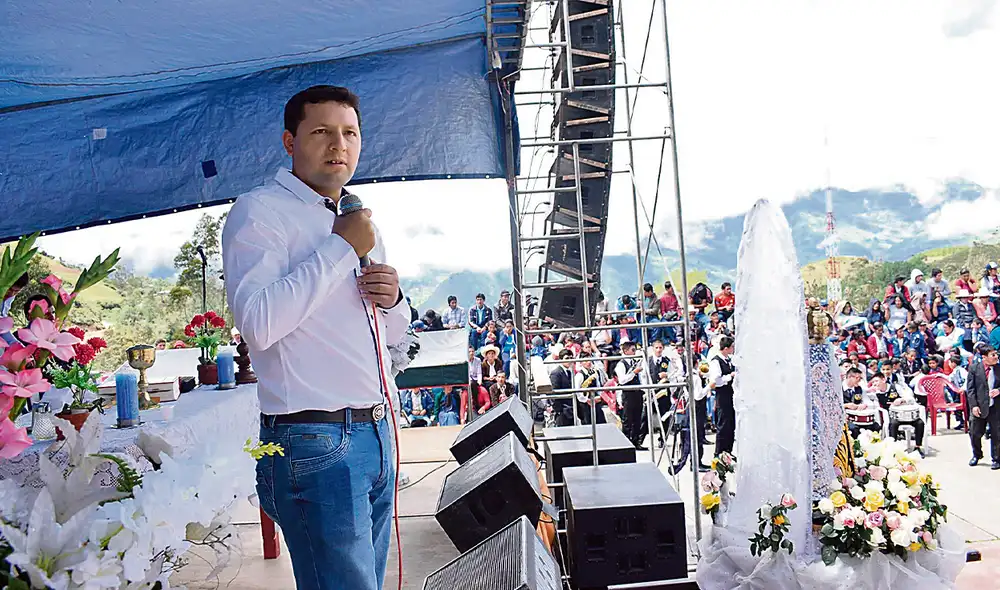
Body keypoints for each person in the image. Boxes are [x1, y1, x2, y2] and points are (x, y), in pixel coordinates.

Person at [221, 86, 411, 590]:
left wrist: (393, 300)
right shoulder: (260, 211)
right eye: (322, 132)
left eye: (350, 133)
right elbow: (257, 324)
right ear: (290, 141)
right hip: (314, 438)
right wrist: (340, 249)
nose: (339, 145)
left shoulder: (356, 219)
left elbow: (391, 335)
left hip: (375, 430)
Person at [967, 346, 1000, 469]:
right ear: (984, 357)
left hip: (995, 407)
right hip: (979, 406)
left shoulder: (999, 369)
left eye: (996, 354)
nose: (996, 357)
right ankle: (977, 454)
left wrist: (998, 390)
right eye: (993, 355)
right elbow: (970, 389)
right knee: (975, 433)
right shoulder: (974, 368)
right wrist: (974, 406)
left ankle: (996, 458)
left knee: (997, 434)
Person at [708, 336, 736, 455]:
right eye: (731, 347)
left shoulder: (728, 360)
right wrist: (730, 376)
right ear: (725, 348)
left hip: (730, 393)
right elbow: (716, 380)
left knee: (730, 424)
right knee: (723, 424)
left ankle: (728, 451)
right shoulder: (716, 361)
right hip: (722, 394)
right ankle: (719, 452)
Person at [614, 340, 646, 448]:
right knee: (628, 420)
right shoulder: (621, 364)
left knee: (637, 419)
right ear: (626, 351)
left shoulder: (635, 362)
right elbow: (622, 380)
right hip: (628, 394)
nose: (634, 352)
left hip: (637, 393)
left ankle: (636, 441)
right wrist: (634, 373)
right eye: (632, 350)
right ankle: (626, 443)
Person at [549, 349, 577, 427]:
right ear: (561, 359)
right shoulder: (556, 373)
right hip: (562, 411)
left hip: (571, 409)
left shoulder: (570, 372)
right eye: (567, 358)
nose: (569, 360)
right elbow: (553, 394)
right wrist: (560, 410)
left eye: (571, 358)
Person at [0, 272, 29, 345]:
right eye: (9, 289)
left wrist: (17, 345)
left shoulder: (10, 297)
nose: (11, 294)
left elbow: (2, 326)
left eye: (16, 291)